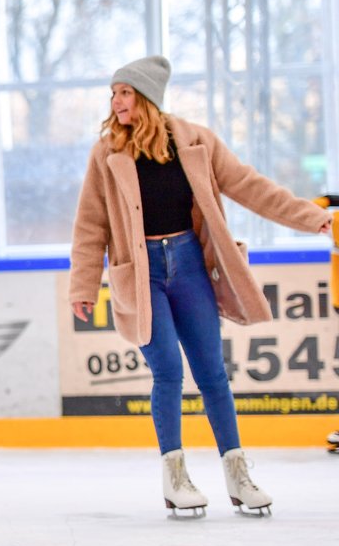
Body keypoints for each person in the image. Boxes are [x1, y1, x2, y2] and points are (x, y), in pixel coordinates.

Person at [69, 55, 332, 516]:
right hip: (142, 270)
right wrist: (83, 286)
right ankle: (175, 477)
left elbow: (251, 187)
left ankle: (238, 474)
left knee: (212, 371)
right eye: (113, 93)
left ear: (147, 96)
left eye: (124, 92)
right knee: (167, 368)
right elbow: (90, 225)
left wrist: (317, 220)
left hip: (190, 263)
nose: (116, 101)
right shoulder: (107, 152)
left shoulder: (195, 142)